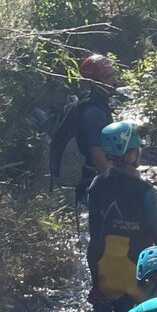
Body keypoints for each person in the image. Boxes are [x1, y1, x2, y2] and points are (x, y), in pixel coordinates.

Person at [86, 122, 157, 312]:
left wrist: (96, 285)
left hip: (107, 274)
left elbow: (94, 240)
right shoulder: (144, 190)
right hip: (137, 274)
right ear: (131, 154)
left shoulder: (96, 185)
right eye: (137, 148)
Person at [50, 52, 117, 211]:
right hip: (91, 182)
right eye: (107, 77)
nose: (114, 82)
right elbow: (98, 159)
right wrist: (119, 184)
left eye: (113, 75)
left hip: (88, 180)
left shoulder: (92, 103)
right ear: (94, 82)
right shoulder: (94, 113)